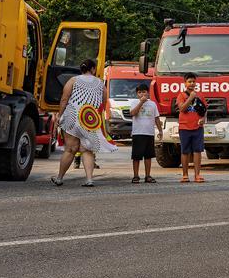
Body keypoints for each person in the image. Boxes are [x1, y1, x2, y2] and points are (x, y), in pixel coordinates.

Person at [51, 59, 118, 187]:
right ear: (93, 69)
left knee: (70, 149)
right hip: (90, 119)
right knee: (87, 150)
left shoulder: (73, 80)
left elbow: (64, 99)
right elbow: (104, 102)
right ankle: (89, 179)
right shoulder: (100, 83)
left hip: (72, 118)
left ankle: (59, 178)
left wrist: (60, 115)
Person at [175, 72, 207, 183]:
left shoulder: (201, 95)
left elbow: (204, 109)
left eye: (193, 81)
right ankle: (185, 175)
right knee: (185, 151)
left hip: (197, 127)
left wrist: (203, 119)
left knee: (197, 151)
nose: (192, 83)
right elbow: (182, 108)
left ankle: (197, 175)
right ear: (185, 83)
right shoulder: (181, 95)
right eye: (189, 81)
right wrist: (190, 98)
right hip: (184, 127)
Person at [129, 83, 162, 183]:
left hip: (149, 133)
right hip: (138, 133)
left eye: (144, 92)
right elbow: (133, 113)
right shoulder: (134, 102)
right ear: (136, 94)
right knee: (136, 156)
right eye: (139, 92)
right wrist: (141, 103)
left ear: (148, 93)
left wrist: (160, 130)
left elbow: (156, 118)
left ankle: (148, 175)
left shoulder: (152, 104)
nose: (142, 94)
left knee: (148, 156)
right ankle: (136, 176)